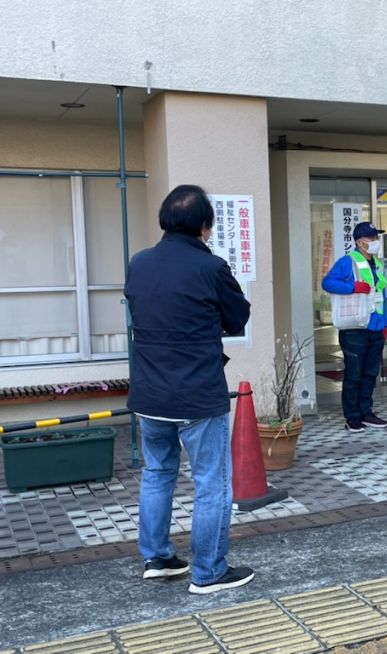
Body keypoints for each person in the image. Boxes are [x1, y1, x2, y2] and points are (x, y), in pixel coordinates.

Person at [124, 184, 253, 594]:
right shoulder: (211, 267)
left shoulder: (139, 263)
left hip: (149, 391)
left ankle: (158, 557)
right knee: (212, 483)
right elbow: (238, 318)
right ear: (204, 225)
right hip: (197, 392)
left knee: (157, 473)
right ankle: (209, 571)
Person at [322, 221, 387, 433]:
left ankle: (366, 412)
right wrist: (353, 286)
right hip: (354, 328)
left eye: (376, 237)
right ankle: (352, 417)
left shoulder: (377, 264)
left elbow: (381, 296)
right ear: (360, 242)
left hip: (375, 326)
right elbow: (328, 283)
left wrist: (384, 323)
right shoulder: (348, 262)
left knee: (370, 373)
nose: (376, 241)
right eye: (372, 238)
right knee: (354, 374)